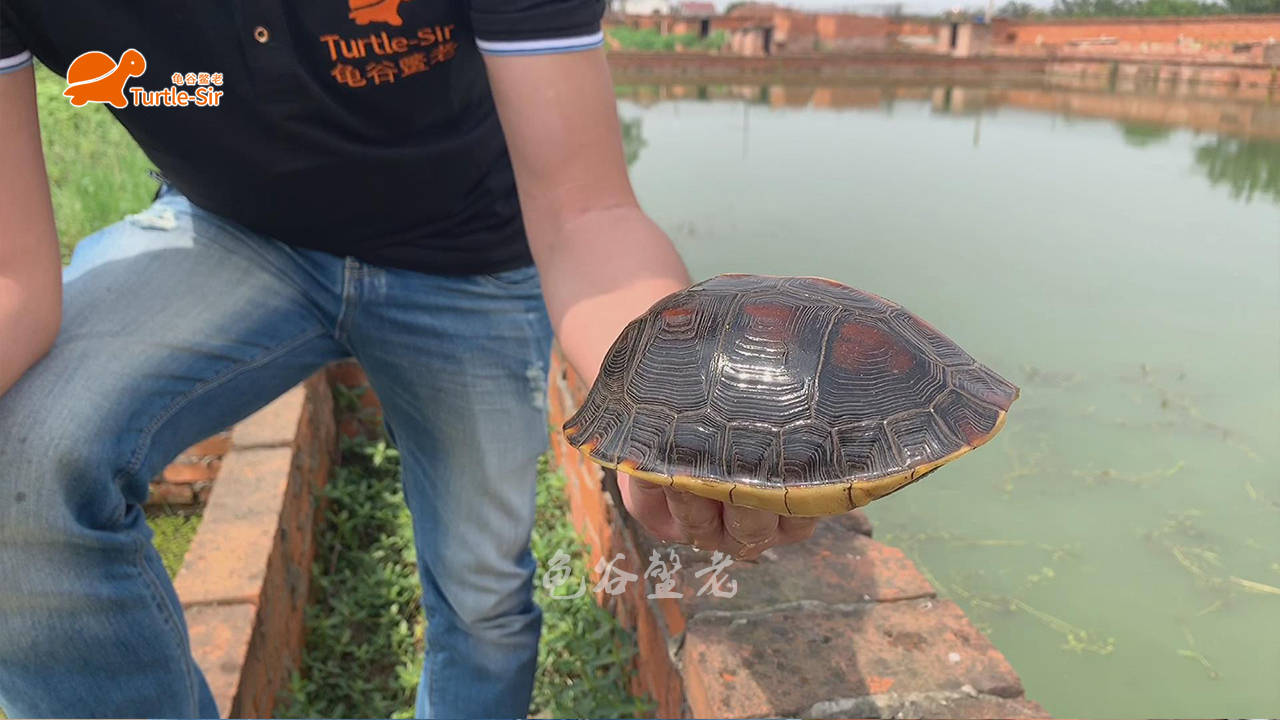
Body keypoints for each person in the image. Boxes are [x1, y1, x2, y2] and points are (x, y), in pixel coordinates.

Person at [0, 0, 820, 716]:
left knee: (482, 597)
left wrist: (668, 401)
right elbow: (12, 281)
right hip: (234, 231)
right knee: (15, 467)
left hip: (471, 255)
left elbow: (588, 211)